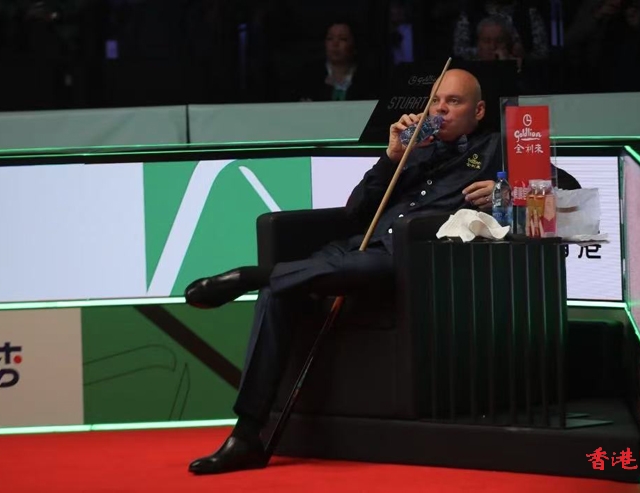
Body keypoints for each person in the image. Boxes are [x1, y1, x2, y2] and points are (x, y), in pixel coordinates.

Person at [184, 68, 500, 475]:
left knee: (299, 277)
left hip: (410, 261)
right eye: (435, 101)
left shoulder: (496, 148)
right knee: (280, 292)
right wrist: (391, 157)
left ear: (478, 110)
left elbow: (563, 185)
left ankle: (249, 276)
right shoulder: (413, 148)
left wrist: (504, 191)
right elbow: (355, 211)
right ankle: (246, 435)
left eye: (453, 102)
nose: (440, 109)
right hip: (355, 249)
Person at [297, 20, 378, 102]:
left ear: (354, 45)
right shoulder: (307, 76)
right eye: (330, 38)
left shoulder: (369, 79)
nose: (335, 44)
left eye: (343, 39)